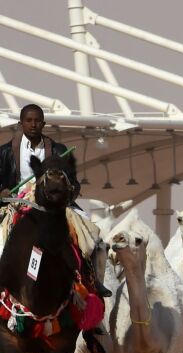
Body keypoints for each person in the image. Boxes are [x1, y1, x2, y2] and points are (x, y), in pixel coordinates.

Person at [0, 104, 110, 297]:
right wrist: (2, 192)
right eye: (28, 121)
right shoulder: (4, 152)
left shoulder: (59, 150)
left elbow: (74, 184)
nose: (33, 125)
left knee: (93, 236)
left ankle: (93, 280)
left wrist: (65, 192)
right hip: (17, 203)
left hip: (54, 206)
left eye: (37, 121)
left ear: (43, 123)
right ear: (20, 123)